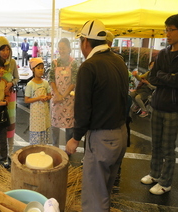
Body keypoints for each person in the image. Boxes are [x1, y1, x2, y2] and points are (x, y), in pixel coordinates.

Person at [66, 20, 129, 211]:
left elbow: (83, 108)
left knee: (94, 198)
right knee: (104, 193)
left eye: (80, 42)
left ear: (86, 41)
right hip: (121, 134)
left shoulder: (89, 66)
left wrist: (75, 138)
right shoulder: (118, 61)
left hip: (102, 139)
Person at [140, 14, 178, 195]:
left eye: (171, 30)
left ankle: (166, 181)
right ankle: (155, 174)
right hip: (157, 104)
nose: (167, 34)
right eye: (167, 30)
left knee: (168, 147)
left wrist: (165, 76)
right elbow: (153, 77)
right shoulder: (163, 53)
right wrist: (167, 77)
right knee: (155, 144)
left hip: (173, 107)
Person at [48, 38, 78, 148]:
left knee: (69, 125)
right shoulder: (54, 63)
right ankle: (55, 147)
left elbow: (74, 82)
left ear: (69, 49)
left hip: (69, 99)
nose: (61, 50)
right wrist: (57, 94)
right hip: (56, 98)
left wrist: (63, 96)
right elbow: (51, 79)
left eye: (64, 48)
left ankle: (68, 149)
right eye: (60, 48)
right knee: (55, 125)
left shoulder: (73, 63)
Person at [25, 58, 51, 145]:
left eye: (42, 68)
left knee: (44, 141)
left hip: (45, 114)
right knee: (36, 142)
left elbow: (50, 95)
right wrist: (38, 98)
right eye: (38, 68)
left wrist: (46, 98)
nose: (41, 70)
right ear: (33, 69)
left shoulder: (45, 83)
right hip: (35, 116)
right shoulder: (30, 84)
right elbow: (27, 99)